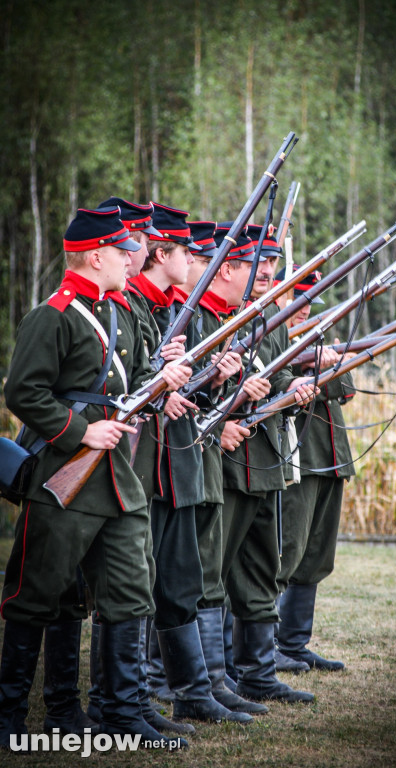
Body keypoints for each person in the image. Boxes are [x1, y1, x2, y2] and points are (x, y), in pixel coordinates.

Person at [0, 206, 192, 750]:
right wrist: (79, 432)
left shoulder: (119, 310)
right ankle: (13, 714)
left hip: (116, 478)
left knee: (131, 589)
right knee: (39, 594)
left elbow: (123, 388)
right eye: (125, 247)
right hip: (65, 473)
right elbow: (23, 392)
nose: (134, 255)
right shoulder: (55, 315)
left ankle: (123, 711)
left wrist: (164, 374)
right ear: (96, 253)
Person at [128, 203, 252, 725]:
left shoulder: (163, 311)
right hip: (147, 467)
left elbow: (177, 385)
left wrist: (212, 382)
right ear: (164, 255)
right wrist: (164, 389)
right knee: (134, 587)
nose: (196, 261)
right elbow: (127, 387)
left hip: (175, 467)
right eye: (187, 252)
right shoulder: (136, 308)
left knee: (179, 582)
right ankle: (136, 696)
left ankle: (192, 692)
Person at [213, 223, 317, 704]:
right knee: (213, 570)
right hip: (231, 460)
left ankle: (256, 674)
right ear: (231, 264)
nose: (268, 272)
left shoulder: (264, 322)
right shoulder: (217, 319)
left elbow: (275, 384)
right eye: (260, 262)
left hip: (266, 461)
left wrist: (293, 392)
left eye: (274, 264)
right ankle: (208, 678)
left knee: (259, 568)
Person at [273, 263, 356, 671]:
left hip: (330, 453)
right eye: (298, 302)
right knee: (285, 551)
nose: (305, 311)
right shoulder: (272, 338)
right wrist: (303, 368)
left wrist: (324, 362)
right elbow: (276, 388)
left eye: (309, 304)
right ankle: (263, 648)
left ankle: (293, 643)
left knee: (317, 553)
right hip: (296, 454)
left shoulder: (317, 335)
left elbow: (345, 389)